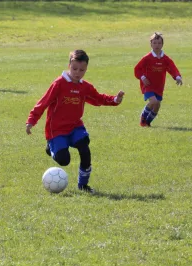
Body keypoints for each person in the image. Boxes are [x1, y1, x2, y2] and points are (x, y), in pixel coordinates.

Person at [25, 50, 125, 193]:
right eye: (74, 69)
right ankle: (50, 148)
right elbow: (44, 102)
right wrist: (31, 120)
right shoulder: (59, 84)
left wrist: (115, 100)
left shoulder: (85, 87)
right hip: (57, 129)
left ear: (86, 69)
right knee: (64, 160)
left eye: (82, 70)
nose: (78, 73)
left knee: (85, 148)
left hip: (75, 127)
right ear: (69, 65)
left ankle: (83, 185)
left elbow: (98, 98)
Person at [133, 32, 182, 127]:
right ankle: (142, 119)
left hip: (159, 86)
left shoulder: (166, 59)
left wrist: (177, 77)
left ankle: (148, 122)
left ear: (162, 44)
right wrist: (142, 77)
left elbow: (172, 68)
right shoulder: (147, 58)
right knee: (153, 102)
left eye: (159, 43)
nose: (157, 45)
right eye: (154, 43)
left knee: (157, 105)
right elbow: (137, 69)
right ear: (151, 44)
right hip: (148, 85)